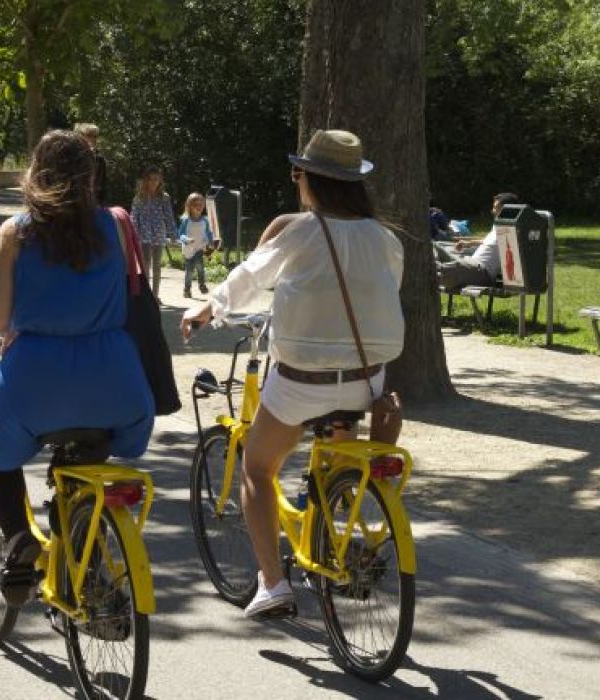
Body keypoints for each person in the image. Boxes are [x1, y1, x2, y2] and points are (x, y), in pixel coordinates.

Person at [180, 129, 404, 618]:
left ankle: (273, 582)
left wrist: (206, 309)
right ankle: (337, 529)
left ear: (311, 180)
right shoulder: (385, 238)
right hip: (370, 379)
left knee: (258, 468)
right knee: (340, 451)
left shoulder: (300, 231)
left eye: (298, 174)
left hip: (303, 384)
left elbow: (250, 276)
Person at [0, 130, 155, 606]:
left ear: (36, 173)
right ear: (91, 176)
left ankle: (17, 537)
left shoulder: (16, 232)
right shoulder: (114, 226)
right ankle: (89, 570)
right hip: (116, 382)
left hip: (36, 380)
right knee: (88, 459)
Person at [435, 192, 519, 289]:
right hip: (471, 264)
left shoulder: (512, 229)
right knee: (436, 245)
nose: (493, 211)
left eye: (496, 207)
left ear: (507, 209)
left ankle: (427, 270)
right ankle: (429, 267)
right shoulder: (498, 225)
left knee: (446, 268)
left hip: (481, 272)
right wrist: (468, 243)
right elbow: (489, 241)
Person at [130, 165, 176, 303]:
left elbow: (169, 216)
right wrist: (133, 234)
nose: (153, 182)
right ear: (145, 181)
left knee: (157, 265)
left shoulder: (164, 197)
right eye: (150, 179)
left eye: (156, 179)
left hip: (158, 235)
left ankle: (155, 295)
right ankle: (147, 295)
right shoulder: (139, 197)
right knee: (145, 266)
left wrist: (173, 234)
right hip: (143, 236)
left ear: (160, 181)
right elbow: (133, 216)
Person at [177, 192, 213, 298]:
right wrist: (186, 240)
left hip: (199, 248)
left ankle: (202, 285)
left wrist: (210, 243)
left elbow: (208, 233)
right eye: (195, 205)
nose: (199, 207)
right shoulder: (185, 220)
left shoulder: (204, 220)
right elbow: (180, 234)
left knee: (200, 267)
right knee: (189, 271)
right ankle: (187, 290)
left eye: (201, 205)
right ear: (189, 206)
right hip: (188, 250)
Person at [73, 123, 107, 205]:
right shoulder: (73, 157)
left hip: (95, 202)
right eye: (89, 135)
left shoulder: (100, 159)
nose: (93, 139)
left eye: (95, 136)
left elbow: (102, 185)